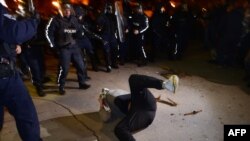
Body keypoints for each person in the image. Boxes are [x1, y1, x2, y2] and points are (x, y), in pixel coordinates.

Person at [0, 1, 42, 140]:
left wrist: (10, 47)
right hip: (5, 77)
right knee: (26, 115)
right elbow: (15, 32)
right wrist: (33, 21)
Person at [99, 74, 179, 141]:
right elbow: (106, 117)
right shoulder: (108, 99)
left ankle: (167, 85)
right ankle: (165, 84)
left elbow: (105, 117)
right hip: (141, 112)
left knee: (133, 79)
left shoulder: (113, 94)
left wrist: (102, 102)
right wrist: (102, 103)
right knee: (120, 129)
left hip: (143, 104)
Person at [46, 3, 90, 95]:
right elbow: (48, 33)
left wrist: (79, 31)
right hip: (64, 48)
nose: (67, 12)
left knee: (81, 66)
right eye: (65, 10)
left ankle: (81, 83)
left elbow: (78, 30)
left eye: (69, 10)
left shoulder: (74, 19)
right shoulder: (55, 20)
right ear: (62, 10)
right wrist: (53, 46)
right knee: (64, 69)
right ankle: (61, 86)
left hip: (74, 46)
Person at [96, 3, 119, 72]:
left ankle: (114, 63)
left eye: (110, 9)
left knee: (114, 49)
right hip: (105, 35)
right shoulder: (102, 16)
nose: (110, 10)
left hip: (112, 35)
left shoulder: (114, 17)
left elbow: (117, 25)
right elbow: (98, 23)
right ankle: (108, 65)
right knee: (106, 50)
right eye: (108, 8)